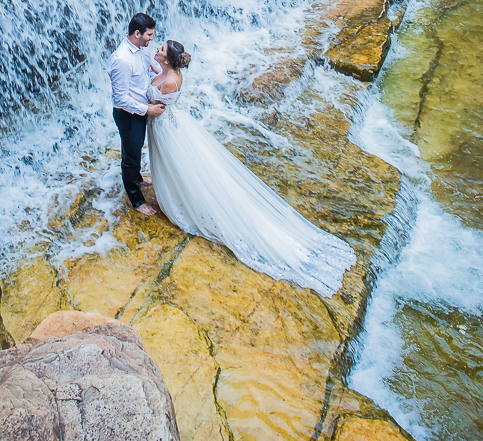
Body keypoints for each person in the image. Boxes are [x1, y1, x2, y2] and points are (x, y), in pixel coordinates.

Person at [146, 39, 356, 298]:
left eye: (161, 50)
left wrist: (141, 101)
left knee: (177, 167)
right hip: (175, 125)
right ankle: (172, 194)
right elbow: (159, 81)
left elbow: (154, 100)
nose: (157, 50)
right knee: (176, 168)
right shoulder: (172, 74)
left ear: (167, 60)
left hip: (166, 128)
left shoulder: (168, 81)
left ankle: (177, 200)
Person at [108, 13, 166, 217]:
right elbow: (120, 99)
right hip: (128, 114)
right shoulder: (121, 60)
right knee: (130, 156)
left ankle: (138, 178)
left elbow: (146, 73)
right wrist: (149, 109)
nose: (152, 38)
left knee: (137, 147)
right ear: (137, 33)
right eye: (149, 35)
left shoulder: (143, 48)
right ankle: (136, 199)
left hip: (141, 106)